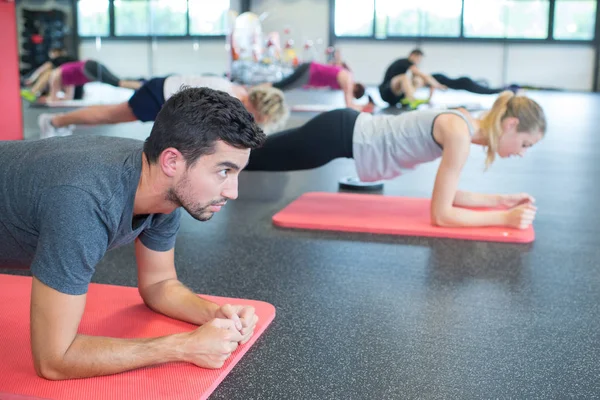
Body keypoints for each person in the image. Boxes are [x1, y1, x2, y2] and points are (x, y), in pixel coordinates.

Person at [0, 87, 265, 380]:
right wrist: (184, 346)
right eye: (224, 171)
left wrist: (216, 315)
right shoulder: (85, 201)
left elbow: (159, 285)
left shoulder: (164, 187)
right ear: (172, 161)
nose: (233, 192)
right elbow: (54, 359)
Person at [245, 91, 546, 230]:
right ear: (510, 125)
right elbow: (441, 215)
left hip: (341, 132)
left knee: (254, 152)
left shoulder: (463, 127)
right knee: (249, 157)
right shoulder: (458, 134)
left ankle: (209, 150)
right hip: (337, 135)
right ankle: (202, 149)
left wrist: (502, 202)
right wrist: (503, 220)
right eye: (525, 143)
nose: (522, 151)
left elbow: (451, 196)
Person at [38, 75, 289, 138]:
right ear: (259, 108)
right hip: (160, 95)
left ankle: (59, 121)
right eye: (260, 118)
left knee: (111, 115)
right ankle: (53, 121)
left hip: (163, 91)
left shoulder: (237, 93)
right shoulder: (231, 98)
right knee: (110, 115)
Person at [269, 61, 368, 111]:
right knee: (279, 87)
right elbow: (349, 105)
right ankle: (259, 90)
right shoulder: (348, 81)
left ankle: (261, 89)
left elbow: (339, 63)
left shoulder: (348, 75)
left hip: (309, 73)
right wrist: (362, 108)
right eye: (353, 94)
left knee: (280, 86)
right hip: (308, 72)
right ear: (355, 89)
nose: (350, 94)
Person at [45, 59, 143, 103]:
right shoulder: (65, 78)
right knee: (117, 81)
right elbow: (68, 97)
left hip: (88, 68)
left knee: (117, 82)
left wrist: (46, 99)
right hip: (90, 66)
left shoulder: (55, 76)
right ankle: (140, 84)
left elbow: (53, 98)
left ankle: (142, 86)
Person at [379, 49, 446, 109]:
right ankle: (412, 100)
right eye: (418, 59)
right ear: (412, 55)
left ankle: (406, 100)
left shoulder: (411, 66)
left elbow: (421, 79)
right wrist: (438, 85)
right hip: (387, 93)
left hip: (397, 97)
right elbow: (423, 75)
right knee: (404, 77)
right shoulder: (404, 61)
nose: (418, 61)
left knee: (417, 80)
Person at [20, 48, 85, 102]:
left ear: (57, 53)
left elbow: (43, 68)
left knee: (49, 73)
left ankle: (33, 92)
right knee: (53, 75)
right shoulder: (72, 62)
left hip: (72, 90)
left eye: (52, 56)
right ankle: (36, 93)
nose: (51, 58)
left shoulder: (62, 59)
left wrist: (31, 79)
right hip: (76, 93)